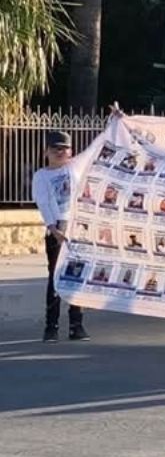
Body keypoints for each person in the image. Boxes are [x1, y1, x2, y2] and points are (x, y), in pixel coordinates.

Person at [34, 131, 88, 343]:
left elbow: (101, 147)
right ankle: (51, 326)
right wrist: (53, 229)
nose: (60, 152)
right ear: (46, 151)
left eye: (64, 148)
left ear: (70, 151)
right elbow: (44, 202)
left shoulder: (74, 168)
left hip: (76, 227)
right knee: (55, 278)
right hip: (57, 227)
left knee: (76, 277)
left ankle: (77, 325)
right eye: (55, 148)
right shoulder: (42, 176)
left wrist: (116, 119)